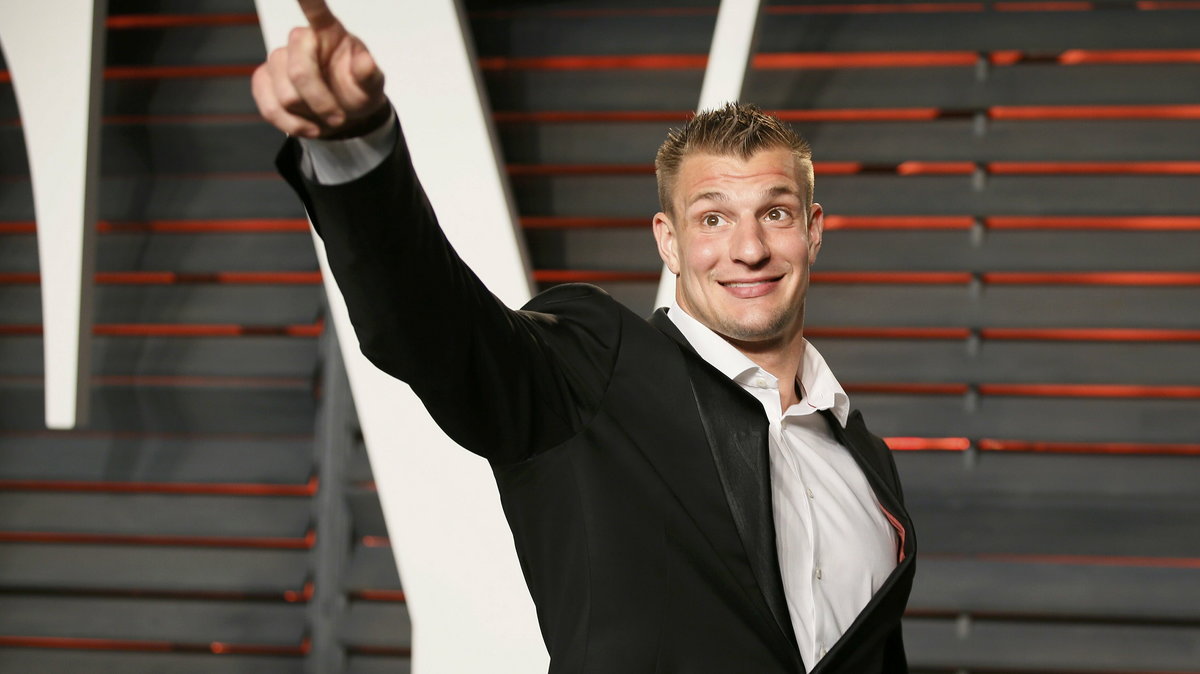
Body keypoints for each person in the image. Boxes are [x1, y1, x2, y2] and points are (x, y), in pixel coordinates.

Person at [254, 1, 915, 672]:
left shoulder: (865, 460)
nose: (748, 248)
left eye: (774, 213)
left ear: (813, 230)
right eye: (712, 219)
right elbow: (433, 329)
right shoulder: (594, 368)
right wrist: (355, 144)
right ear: (670, 241)